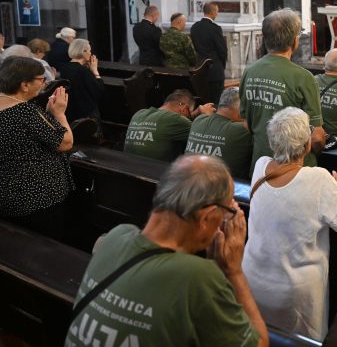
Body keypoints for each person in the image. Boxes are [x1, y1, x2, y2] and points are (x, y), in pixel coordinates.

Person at [66, 155, 268, 346]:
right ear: (207, 218)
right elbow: (259, 343)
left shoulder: (114, 237)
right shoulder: (198, 277)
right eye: (227, 212)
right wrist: (233, 271)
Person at [243, 107, 337, 341]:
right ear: (307, 145)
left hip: (253, 282)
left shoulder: (261, 166)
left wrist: (331, 190)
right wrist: (335, 190)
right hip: (293, 297)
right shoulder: (318, 179)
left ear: (273, 142)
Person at [240, 8, 324, 169]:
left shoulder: (250, 71)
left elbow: (246, 124)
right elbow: (317, 138)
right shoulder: (304, 78)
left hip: (261, 165)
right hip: (295, 168)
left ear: (265, 39)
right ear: (295, 41)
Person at [0, 57, 74, 238]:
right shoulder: (24, 112)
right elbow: (65, 143)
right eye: (41, 79)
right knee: (46, 249)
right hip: (38, 198)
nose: (45, 83)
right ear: (25, 85)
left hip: (7, 194)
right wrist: (59, 113)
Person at [124, 89, 215, 162]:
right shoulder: (177, 120)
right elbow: (206, 136)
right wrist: (206, 115)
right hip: (156, 177)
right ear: (184, 109)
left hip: (127, 170)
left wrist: (192, 114)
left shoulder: (139, 113)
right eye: (189, 113)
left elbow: (171, 121)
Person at [185, 87, 252, 180]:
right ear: (241, 111)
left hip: (188, 182)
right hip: (222, 189)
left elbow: (211, 119)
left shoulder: (198, 120)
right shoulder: (243, 130)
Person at [58, 38, 104, 122]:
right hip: (84, 115)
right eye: (89, 51)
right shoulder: (82, 70)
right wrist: (95, 71)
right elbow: (98, 90)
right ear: (84, 51)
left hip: (70, 112)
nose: (90, 53)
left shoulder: (65, 68)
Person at [191, 2, 228, 105]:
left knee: (203, 100)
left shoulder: (195, 27)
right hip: (214, 70)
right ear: (212, 12)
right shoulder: (215, 28)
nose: (217, 14)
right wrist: (222, 65)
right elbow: (222, 50)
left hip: (200, 70)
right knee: (215, 100)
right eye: (217, 11)